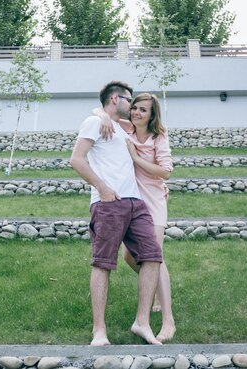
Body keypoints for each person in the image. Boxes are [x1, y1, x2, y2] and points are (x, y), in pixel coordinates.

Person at [69, 81, 163, 346]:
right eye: (129, 100)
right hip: (108, 203)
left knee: (153, 257)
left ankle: (141, 322)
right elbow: (76, 159)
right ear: (114, 98)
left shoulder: (121, 128)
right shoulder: (94, 122)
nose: (132, 106)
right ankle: (99, 331)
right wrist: (102, 187)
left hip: (136, 204)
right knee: (103, 263)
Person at [95, 92, 175, 343]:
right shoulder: (127, 129)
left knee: (155, 255)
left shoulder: (158, 136)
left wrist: (136, 158)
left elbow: (166, 172)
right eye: (135, 108)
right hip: (132, 198)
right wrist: (100, 114)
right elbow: (102, 111)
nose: (137, 113)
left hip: (153, 199)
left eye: (143, 110)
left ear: (152, 115)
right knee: (130, 255)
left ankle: (167, 321)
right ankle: (151, 293)